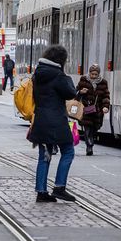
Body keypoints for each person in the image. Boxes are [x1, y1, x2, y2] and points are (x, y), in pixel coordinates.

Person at [28, 44, 79, 202]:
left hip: (41, 120)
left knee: (44, 156)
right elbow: (71, 93)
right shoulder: (58, 75)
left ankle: (41, 192)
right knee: (68, 151)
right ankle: (59, 187)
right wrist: (66, 76)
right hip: (56, 121)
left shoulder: (38, 73)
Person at [75, 64, 110, 156]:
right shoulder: (83, 80)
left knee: (95, 128)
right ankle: (89, 145)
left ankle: (91, 141)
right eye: (92, 74)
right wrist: (81, 92)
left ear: (98, 74)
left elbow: (106, 96)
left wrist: (105, 106)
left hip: (97, 110)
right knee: (87, 127)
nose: (94, 76)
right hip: (86, 108)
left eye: (96, 74)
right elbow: (75, 92)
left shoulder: (103, 82)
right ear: (89, 73)